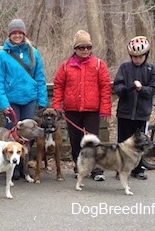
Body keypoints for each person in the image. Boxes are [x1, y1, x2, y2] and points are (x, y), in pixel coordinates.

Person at [52, 30, 112, 181]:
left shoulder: (99, 65)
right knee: (75, 140)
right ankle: (79, 166)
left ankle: (97, 169)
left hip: (92, 110)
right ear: (75, 49)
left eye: (88, 47)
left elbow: (105, 87)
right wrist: (56, 106)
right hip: (72, 110)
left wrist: (105, 108)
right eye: (81, 47)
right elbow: (58, 86)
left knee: (93, 140)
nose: (85, 50)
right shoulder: (66, 66)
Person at [0, 18, 48, 180]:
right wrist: (3, 103)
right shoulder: (3, 55)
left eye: (20, 33)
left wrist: (42, 101)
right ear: (10, 35)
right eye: (14, 33)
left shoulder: (34, 53)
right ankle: (12, 168)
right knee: (13, 135)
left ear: (24, 34)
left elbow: (40, 78)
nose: (17, 35)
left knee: (29, 135)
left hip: (30, 99)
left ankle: (24, 166)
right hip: (11, 101)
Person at [113, 36, 155, 180]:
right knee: (123, 142)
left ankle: (138, 168)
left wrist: (142, 89)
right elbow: (117, 85)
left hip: (141, 113)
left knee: (140, 142)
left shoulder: (151, 69)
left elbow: (154, 88)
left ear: (146, 56)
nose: (137, 60)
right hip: (125, 113)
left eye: (140, 57)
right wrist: (126, 89)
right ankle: (120, 168)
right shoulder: (124, 68)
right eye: (134, 57)